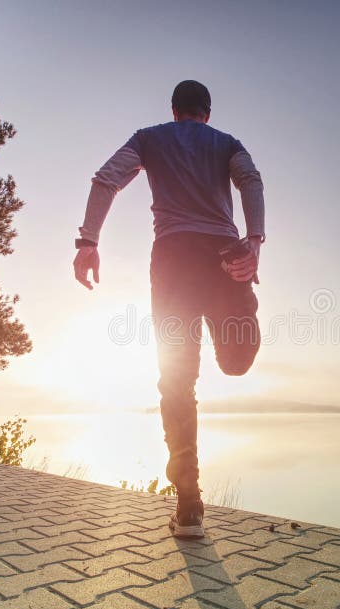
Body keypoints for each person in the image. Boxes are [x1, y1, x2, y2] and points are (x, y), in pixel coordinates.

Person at [73, 80, 265, 538]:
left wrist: (88, 240)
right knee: (235, 364)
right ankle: (242, 302)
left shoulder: (149, 138)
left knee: (177, 378)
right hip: (223, 254)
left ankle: (188, 505)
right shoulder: (227, 144)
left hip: (174, 259)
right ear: (207, 113)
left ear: (174, 110)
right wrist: (254, 241)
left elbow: (106, 178)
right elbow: (251, 181)